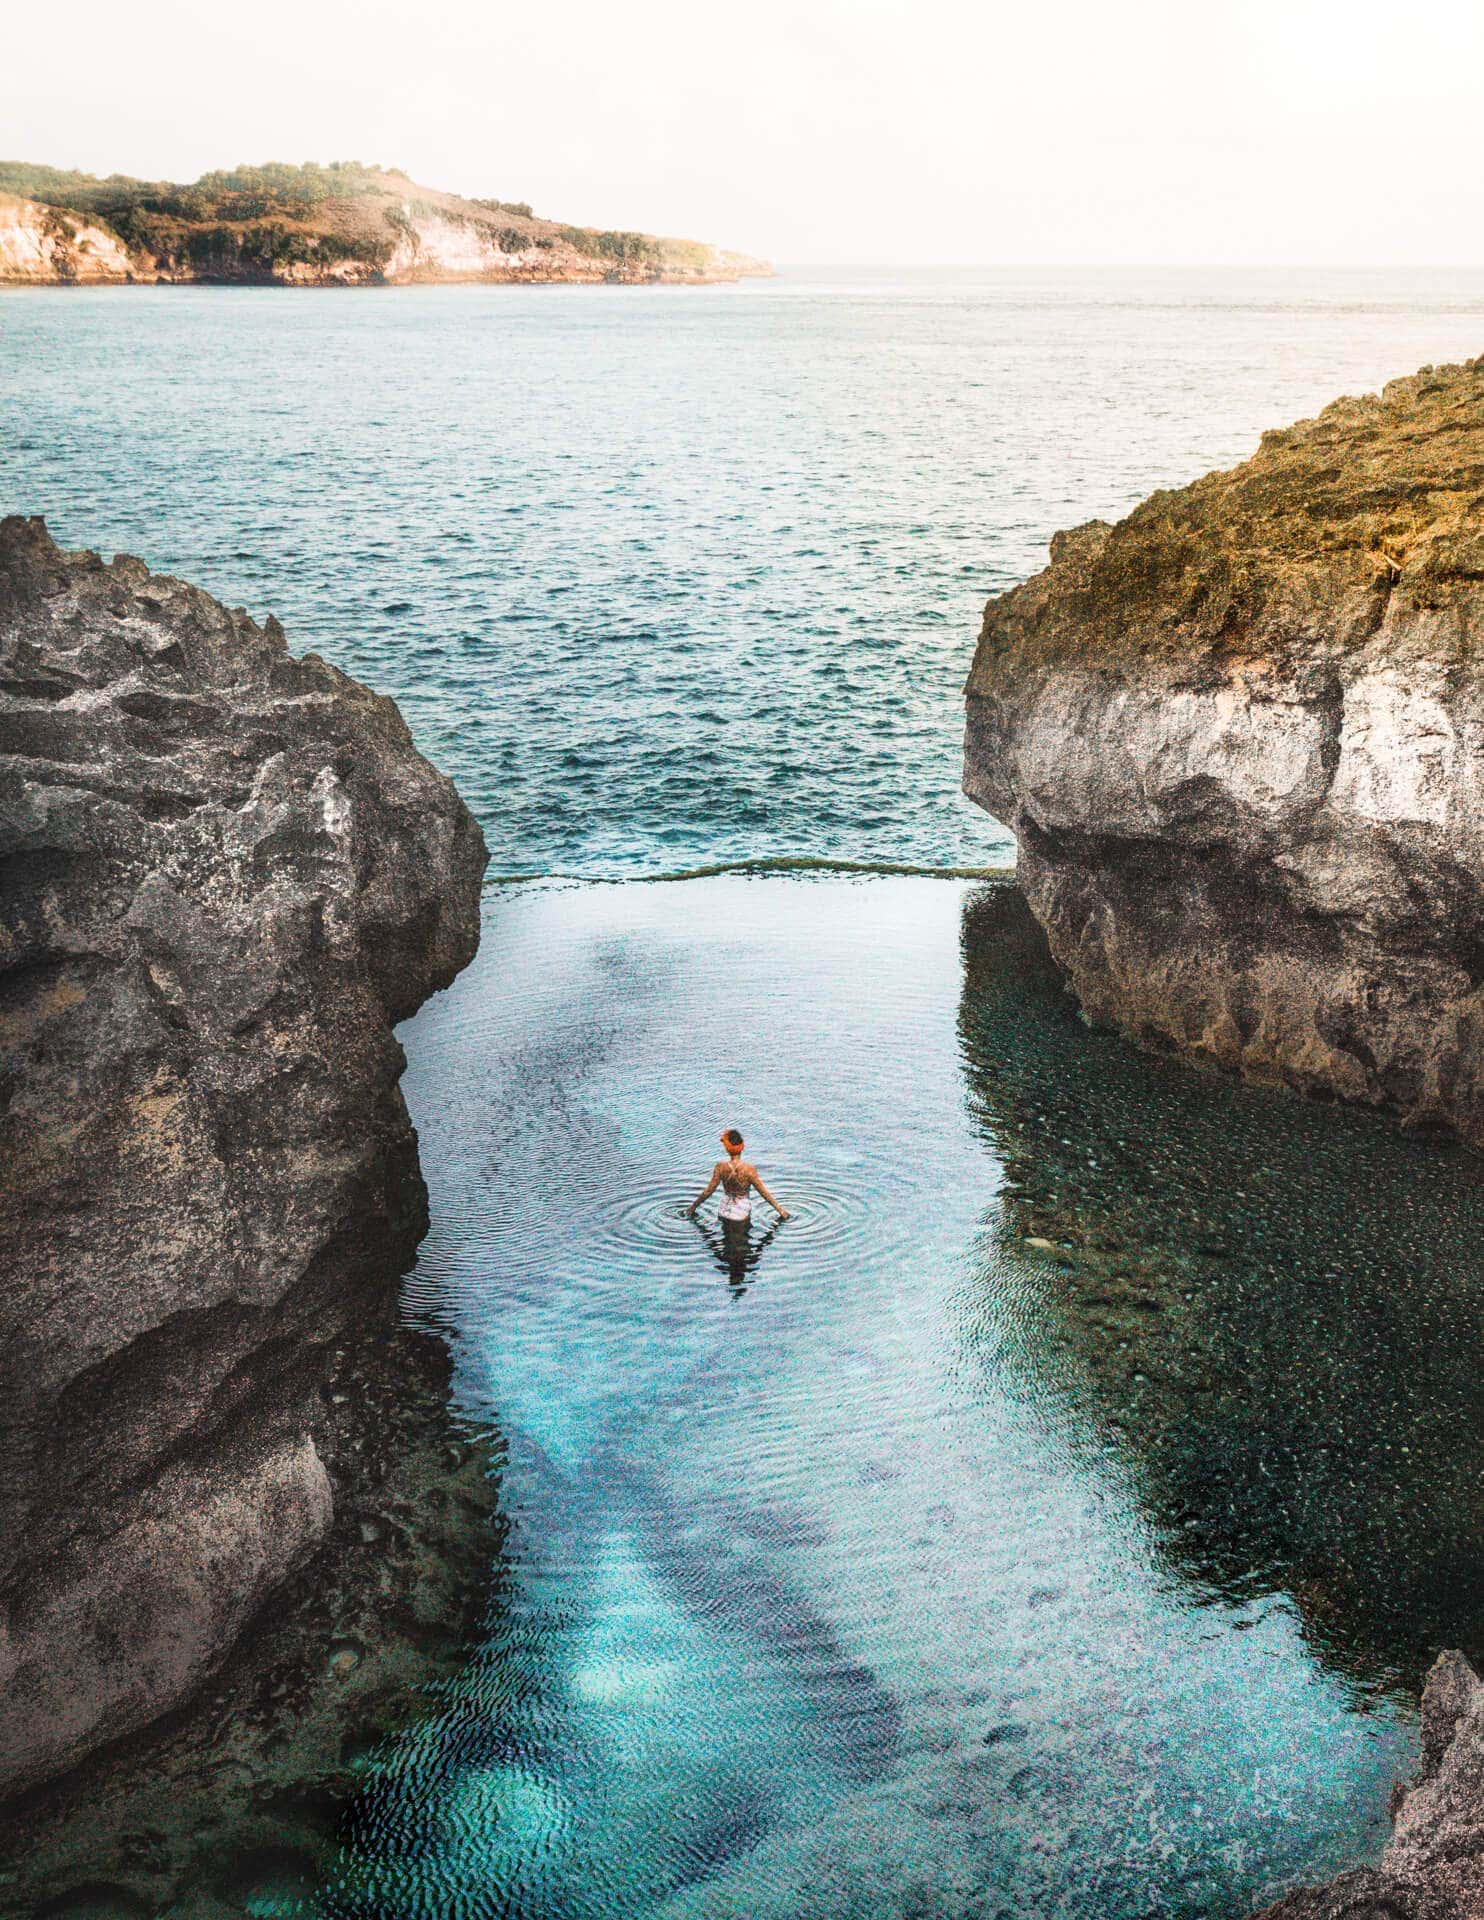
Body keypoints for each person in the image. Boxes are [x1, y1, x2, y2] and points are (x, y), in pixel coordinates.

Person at [688, 1128, 790, 1225]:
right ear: (742, 1147)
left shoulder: (720, 1167)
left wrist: (693, 1207)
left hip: (724, 1211)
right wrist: (780, 1210)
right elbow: (763, 1192)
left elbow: (708, 1191)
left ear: (727, 1149)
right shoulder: (749, 1170)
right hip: (741, 1213)